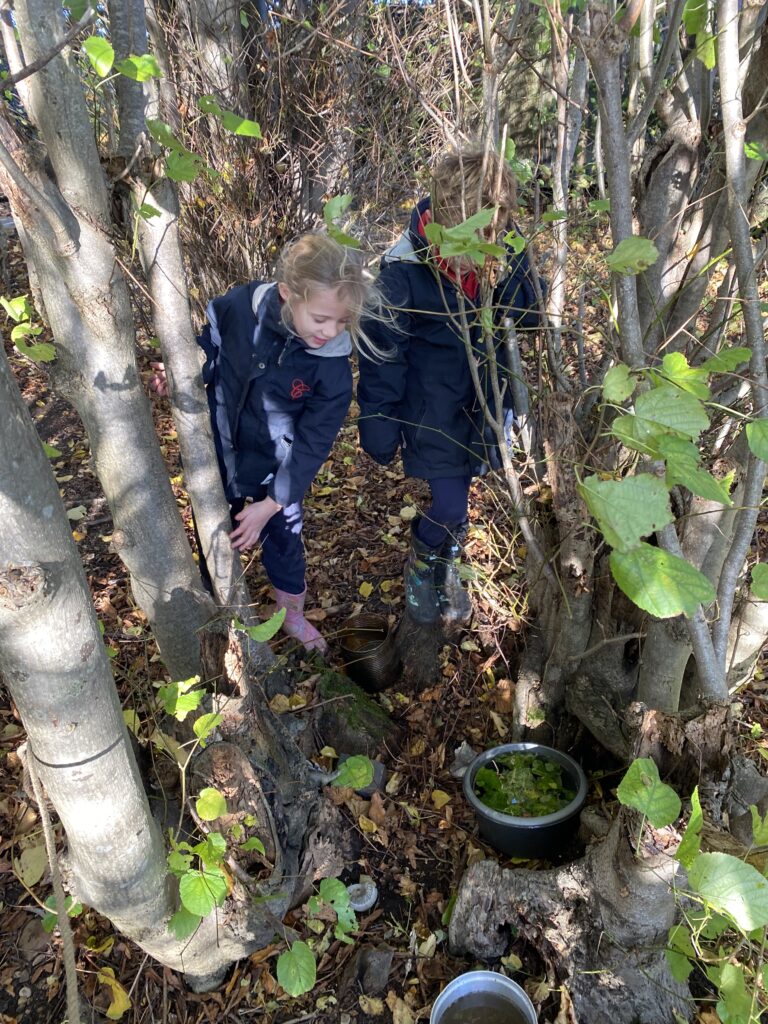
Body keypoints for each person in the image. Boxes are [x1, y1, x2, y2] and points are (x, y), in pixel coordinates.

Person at [152, 233, 381, 654]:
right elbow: (210, 345)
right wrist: (186, 370)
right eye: (320, 319)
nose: (330, 332)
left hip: (279, 468)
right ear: (287, 294)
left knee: (285, 534)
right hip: (221, 445)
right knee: (214, 523)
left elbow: (313, 444)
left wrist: (273, 502)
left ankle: (290, 610)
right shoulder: (242, 308)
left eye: (342, 322)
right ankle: (214, 593)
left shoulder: (331, 371)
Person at [357, 148, 540, 628]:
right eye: (462, 246)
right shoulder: (402, 275)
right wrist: (378, 422)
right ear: (440, 224)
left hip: (483, 402)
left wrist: (515, 281)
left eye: (487, 241)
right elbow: (382, 355)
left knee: (466, 486)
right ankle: (424, 558)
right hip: (430, 410)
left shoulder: (505, 249)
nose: (470, 260)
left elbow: (529, 317)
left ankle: (447, 558)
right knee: (450, 501)